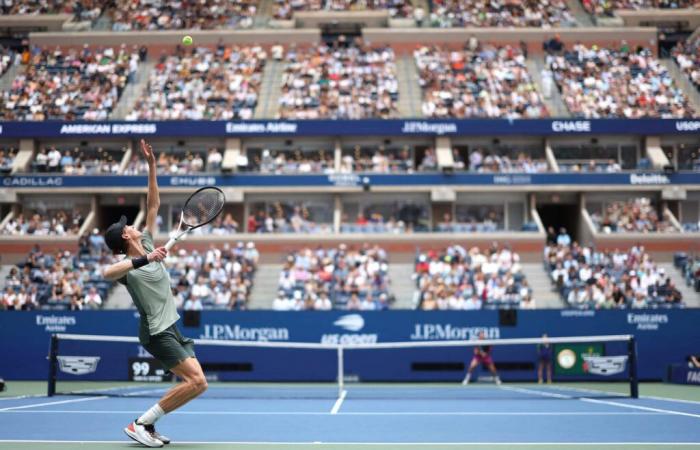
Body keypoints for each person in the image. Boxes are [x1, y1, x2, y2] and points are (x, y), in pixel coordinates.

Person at [103, 140, 207, 448]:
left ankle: (147, 425)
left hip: (170, 325)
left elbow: (153, 205)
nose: (133, 226)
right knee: (197, 381)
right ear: (125, 236)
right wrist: (147, 259)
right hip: (155, 332)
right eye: (128, 226)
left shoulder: (147, 240)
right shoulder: (126, 266)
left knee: (198, 383)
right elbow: (105, 273)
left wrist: (151, 165)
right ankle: (141, 423)